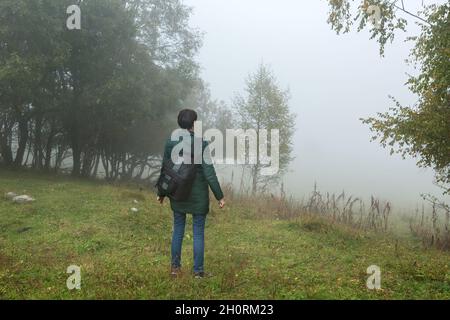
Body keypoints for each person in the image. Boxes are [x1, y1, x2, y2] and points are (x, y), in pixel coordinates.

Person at [157, 109, 225, 279]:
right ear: (194, 124)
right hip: (198, 196)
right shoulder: (201, 143)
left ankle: (175, 269)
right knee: (198, 232)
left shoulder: (170, 142)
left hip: (177, 193)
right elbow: (209, 172)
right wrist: (219, 196)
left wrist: (162, 191)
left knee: (178, 229)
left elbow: (166, 168)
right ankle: (198, 272)